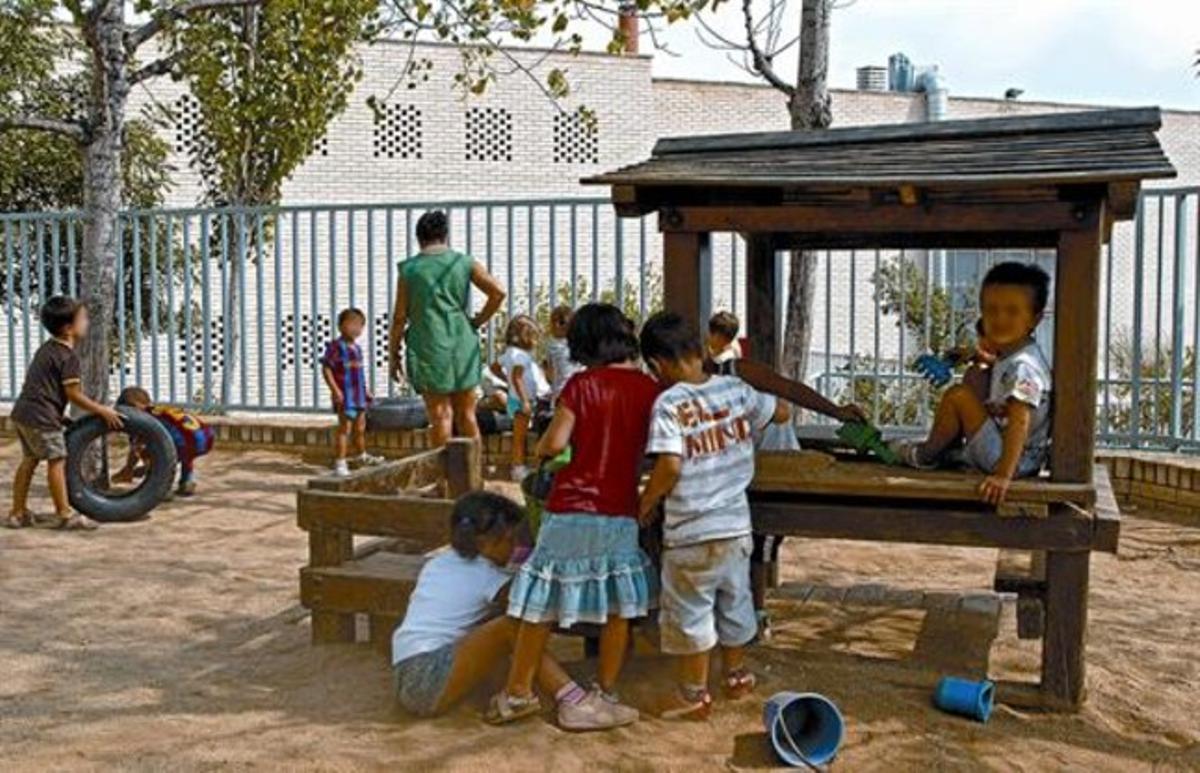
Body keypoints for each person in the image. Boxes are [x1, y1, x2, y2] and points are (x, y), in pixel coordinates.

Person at [491, 303, 659, 728]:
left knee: (537, 605)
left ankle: (518, 693)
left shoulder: (582, 385)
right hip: (620, 509)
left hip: (570, 508)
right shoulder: (649, 389)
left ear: (585, 343)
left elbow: (554, 443)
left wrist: (545, 447)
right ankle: (605, 691)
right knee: (620, 607)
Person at [637, 311, 790, 720]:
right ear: (703, 348)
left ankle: (693, 692)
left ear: (657, 364)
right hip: (737, 527)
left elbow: (668, 466)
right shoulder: (736, 390)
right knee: (734, 601)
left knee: (691, 611)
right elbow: (782, 414)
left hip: (690, 531)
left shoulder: (668, 402)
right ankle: (736, 675)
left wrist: (647, 502)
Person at [393, 491, 619, 729]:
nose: (513, 549)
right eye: (509, 541)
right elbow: (531, 604)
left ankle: (526, 688)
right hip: (427, 676)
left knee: (496, 625)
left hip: (407, 674)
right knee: (513, 625)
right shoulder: (486, 577)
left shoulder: (438, 563)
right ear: (485, 543)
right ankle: (575, 701)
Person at [703, 310, 866, 639]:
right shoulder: (689, 396)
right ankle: (736, 614)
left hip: (777, 470)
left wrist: (835, 411)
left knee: (760, 544)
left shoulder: (737, 372)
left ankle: (756, 614)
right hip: (740, 476)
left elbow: (788, 392)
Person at [890, 261, 1053, 504]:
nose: (999, 319)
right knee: (976, 375)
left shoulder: (1024, 367)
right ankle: (950, 451)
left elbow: (1021, 418)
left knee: (958, 395)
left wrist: (1002, 476)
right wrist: (968, 356)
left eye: (1012, 311)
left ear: (1035, 319)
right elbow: (991, 362)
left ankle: (926, 454)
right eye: (990, 310)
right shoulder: (1014, 355)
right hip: (1011, 454)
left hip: (1011, 460)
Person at [388, 210, 506, 447]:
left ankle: (444, 480)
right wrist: (476, 322)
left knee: (441, 416)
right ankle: (472, 476)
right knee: (467, 415)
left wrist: (394, 352)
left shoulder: (409, 270)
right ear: (445, 236)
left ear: (419, 237)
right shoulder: (463, 262)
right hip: (462, 343)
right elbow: (498, 292)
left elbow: (400, 317)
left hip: (428, 346)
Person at [7, 296, 123, 531]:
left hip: (24, 413)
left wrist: (59, 416)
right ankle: (64, 514)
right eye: (83, 319)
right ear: (69, 328)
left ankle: (17, 512)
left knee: (29, 460)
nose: (87, 322)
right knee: (57, 460)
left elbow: (42, 387)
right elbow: (74, 395)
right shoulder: (69, 358)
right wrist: (102, 409)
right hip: (41, 417)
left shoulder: (47, 350)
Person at [113, 386, 215, 497]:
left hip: (184, 441)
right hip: (206, 435)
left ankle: (163, 487)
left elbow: (137, 448)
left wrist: (130, 469)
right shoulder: (159, 410)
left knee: (158, 454)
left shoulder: (142, 420)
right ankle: (187, 481)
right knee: (184, 448)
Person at [322, 307, 383, 477]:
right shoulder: (336, 347)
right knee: (345, 429)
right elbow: (326, 369)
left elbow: (359, 373)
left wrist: (366, 390)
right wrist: (335, 390)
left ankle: (361, 456)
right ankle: (340, 462)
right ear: (341, 326)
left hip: (359, 397)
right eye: (351, 324)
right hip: (345, 397)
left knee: (360, 428)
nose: (356, 328)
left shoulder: (357, 348)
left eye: (359, 325)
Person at [496, 314, 552, 481]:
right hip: (522, 401)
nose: (535, 341)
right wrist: (525, 400)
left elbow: (494, 368)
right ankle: (518, 468)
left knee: (519, 434)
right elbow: (517, 378)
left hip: (515, 399)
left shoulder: (509, 353)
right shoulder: (520, 356)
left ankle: (519, 466)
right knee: (519, 437)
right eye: (534, 336)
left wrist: (507, 383)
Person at [544, 304, 582, 403]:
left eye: (561, 322)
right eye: (553, 321)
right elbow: (550, 372)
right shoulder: (552, 345)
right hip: (562, 392)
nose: (556, 325)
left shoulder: (579, 343)